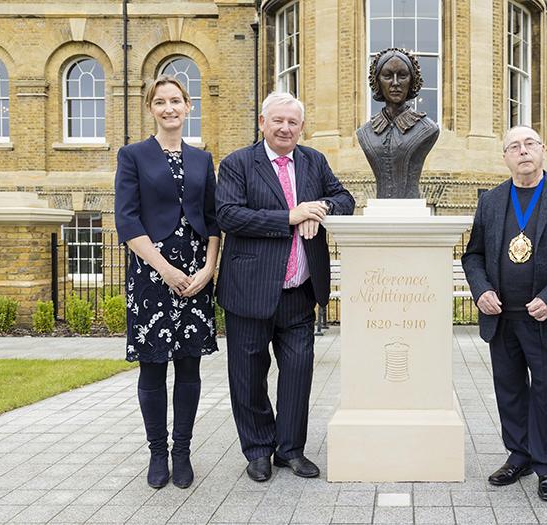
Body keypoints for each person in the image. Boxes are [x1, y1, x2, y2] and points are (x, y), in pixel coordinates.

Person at [215, 92, 355, 482]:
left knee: (298, 373)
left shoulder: (313, 161)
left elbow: (345, 197)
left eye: (293, 122)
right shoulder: (238, 164)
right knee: (248, 375)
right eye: (277, 121)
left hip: (299, 292)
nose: (285, 128)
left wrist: (320, 210)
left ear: (301, 127)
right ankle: (258, 449)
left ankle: (290, 449)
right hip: (249, 291)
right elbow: (228, 214)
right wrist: (290, 216)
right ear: (262, 122)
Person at [462, 125, 547, 501]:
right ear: (504, 156)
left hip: (544, 318)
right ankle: (518, 455)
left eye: (529, 144)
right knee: (510, 390)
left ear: (543, 150)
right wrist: (482, 289)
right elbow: (473, 255)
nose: (522, 151)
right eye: (514, 146)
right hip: (502, 317)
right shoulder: (490, 200)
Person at [114, 75, 220, 489]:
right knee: (153, 368)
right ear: (151, 108)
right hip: (152, 275)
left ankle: (182, 450)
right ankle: (158, 453)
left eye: (176, 100)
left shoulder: (201, 159)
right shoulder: (133, 155)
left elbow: (213, 220)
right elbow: (127, 219)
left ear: (188, 106)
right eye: (161, 102)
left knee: (189, 368)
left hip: (195, 274)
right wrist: (165, 268)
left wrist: (208, 268)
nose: (169, 108)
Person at [357, 47, 439, 199]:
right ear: (378, 81)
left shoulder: (428, 128)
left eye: (402, 76)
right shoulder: (365, 132)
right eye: (387, 76)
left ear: (412, 80)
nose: (395, 83)